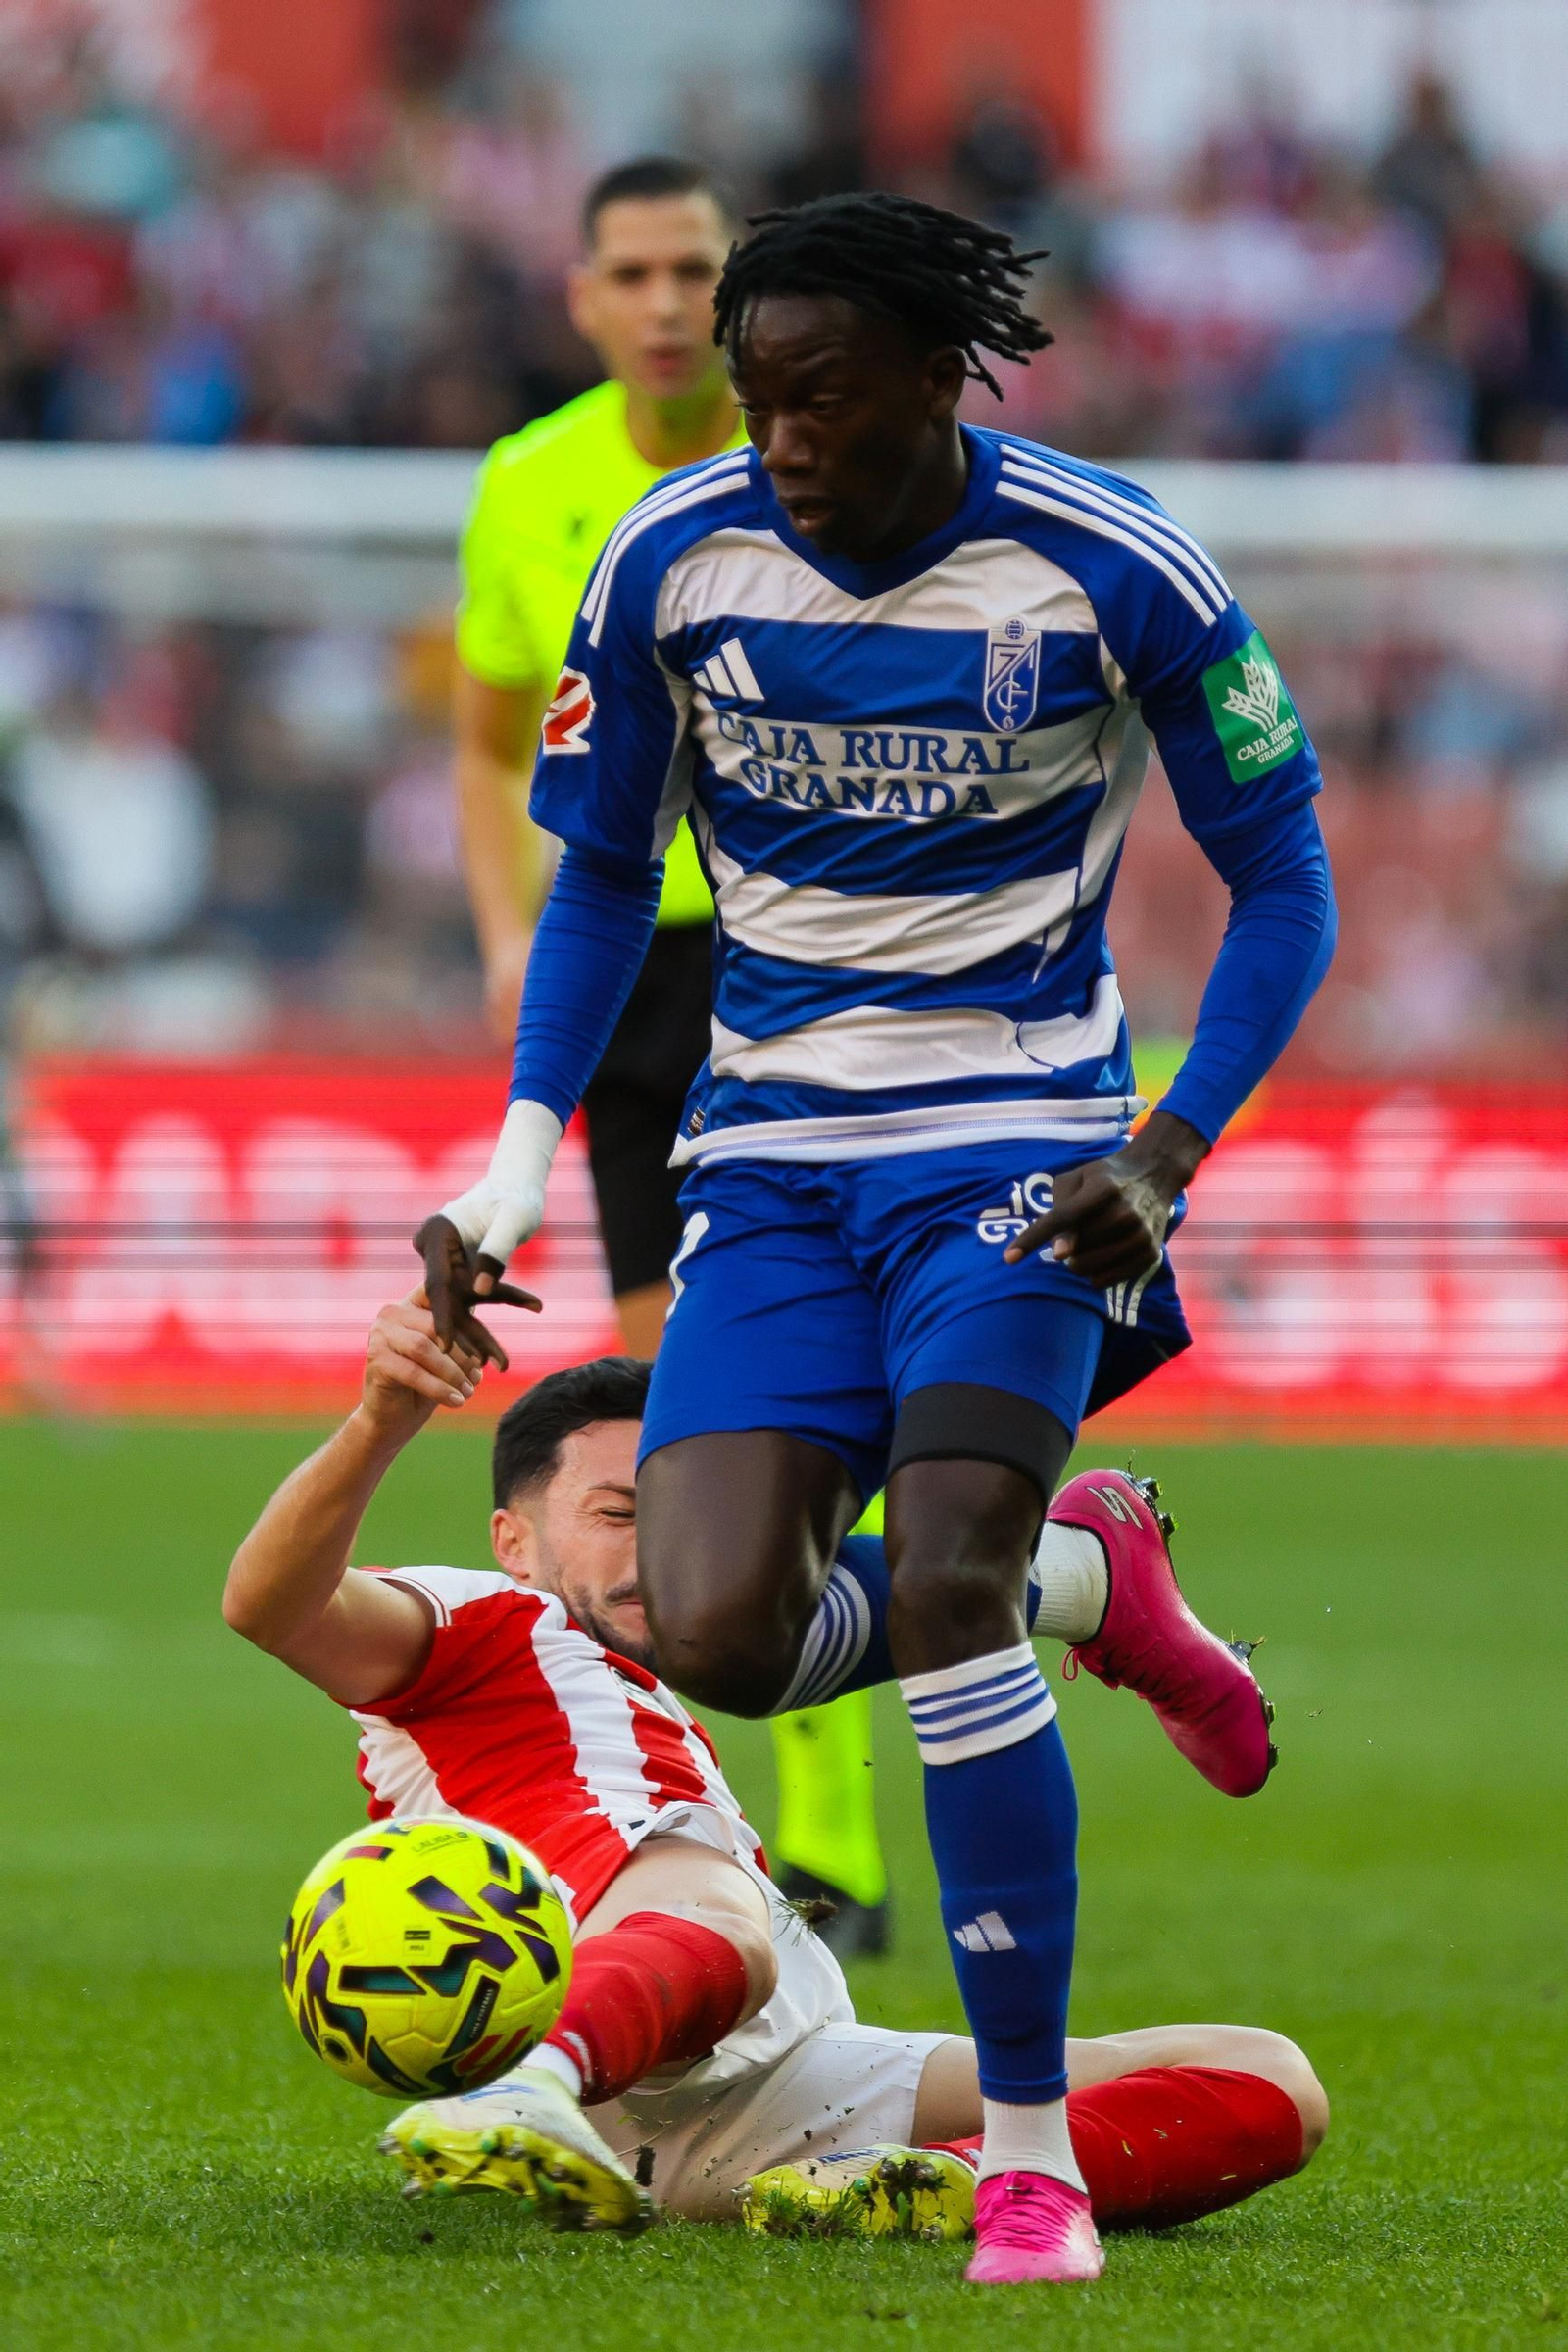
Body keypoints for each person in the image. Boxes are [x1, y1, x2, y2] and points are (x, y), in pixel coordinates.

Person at [418, 191, 1337, 2284]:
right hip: (771, 1162)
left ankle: (1024, 2155)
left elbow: (1285, 880)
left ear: (942, 377)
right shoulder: (669, 558)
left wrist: (1171, 1140)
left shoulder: (1115, 562)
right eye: (756, 401)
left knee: (935, 1589)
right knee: (724, 1631)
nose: (778, 442)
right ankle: (1096, 1576)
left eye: (818, 401)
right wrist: (512, 1153)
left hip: (1019, 1155)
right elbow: (591, 884)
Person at [223, 1298, 1326, 2246]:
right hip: (611, 1990)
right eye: (616, 1516)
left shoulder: (694, 1661)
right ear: (514, 1541)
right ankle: (530, 2088)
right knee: (723, 1909)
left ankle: (937, 2182)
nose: (657, 1549)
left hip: (763, 2085)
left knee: (1270, 2080)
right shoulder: (476, 1623)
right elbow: (273, 1607)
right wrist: (381, 1419)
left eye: (679, 1518)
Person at [454, 150, 890, 1950]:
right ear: (580, 294)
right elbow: (489, 740)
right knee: (673, 1416)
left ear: (729, 292)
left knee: (794, 1399)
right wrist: (502, 927)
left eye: (686, 269)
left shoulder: (810, 459)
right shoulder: (529, 484)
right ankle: (702, 1820)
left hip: (804, 963)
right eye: (626, 269)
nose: (656, 300)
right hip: (632, 966)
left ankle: (841, 1846)